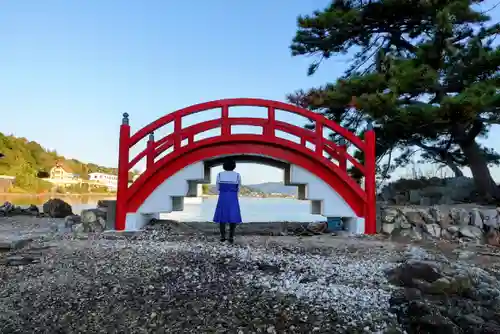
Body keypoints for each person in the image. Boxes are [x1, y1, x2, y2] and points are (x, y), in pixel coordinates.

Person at [213, 159, 242, 243]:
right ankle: (231, 237)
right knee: (233, 216)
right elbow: (239, 188)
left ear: (224, 166)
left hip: (223, 197)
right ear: (234, 166)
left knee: (222, 216)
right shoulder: (237, 175)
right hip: (233, 197)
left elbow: (217, 188)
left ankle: (222, 237)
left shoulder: (219, 175)